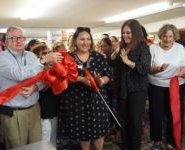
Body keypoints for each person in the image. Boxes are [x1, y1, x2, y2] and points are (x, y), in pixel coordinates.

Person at [58, 27, 113, 150]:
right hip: (76, 102)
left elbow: (108, 75)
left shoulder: (98, 57)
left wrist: (101, 81)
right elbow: (62, 77)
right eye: (82, 39)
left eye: (88, 39)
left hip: (97, 101)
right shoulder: (68, 57)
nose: (85, 42)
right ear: (75, 41)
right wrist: (81, 79)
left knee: (99, 130)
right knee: (83, 132)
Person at [0, 26, 45, 149]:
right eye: (13, 38)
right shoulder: (2, 57)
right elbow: (19, 74)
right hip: (14, 113)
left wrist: (35, 87)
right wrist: (41, 63)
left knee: (36, 146)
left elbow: (42, 78)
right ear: (6, 42)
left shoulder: (31, 56)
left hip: (34, 109)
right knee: (17, 147)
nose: (18, 41)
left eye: (21, 37)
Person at [113, 19, 151, 150]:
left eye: (128, 33)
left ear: (135, 32)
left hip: (137, 90)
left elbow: (144, 69)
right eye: (123, 33)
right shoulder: (123, 47)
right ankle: (125, 147)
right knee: (123, 121)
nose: (125, 35)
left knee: (135, 123)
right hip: (122, 90)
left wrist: (128, 62)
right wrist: (115, 52)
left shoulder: (143, 47)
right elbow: (113, 65)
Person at [148, 24, 185, 150]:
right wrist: (158, 69)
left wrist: (182, 71)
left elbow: (184, 64)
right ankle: (156, 139)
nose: (168, 39)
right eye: (165, 36)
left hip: (176, 85)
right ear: (160, 36)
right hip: (156, 85)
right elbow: (148, 68)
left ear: (174, 36)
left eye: (170, 36)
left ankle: (171, 140)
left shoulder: (180, 48)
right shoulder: (152, 48)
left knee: (173, 113)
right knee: (156, 113)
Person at [31, 43, 59, 147]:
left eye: (48, 52)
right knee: (45, 132)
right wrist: (47, 71)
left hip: (54, 101)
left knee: (54, 132)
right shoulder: (35, 69)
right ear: (37, 56)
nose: (48, 55)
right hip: (42, 103)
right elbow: (41, 87)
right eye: (44, 53)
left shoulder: (54, 65)